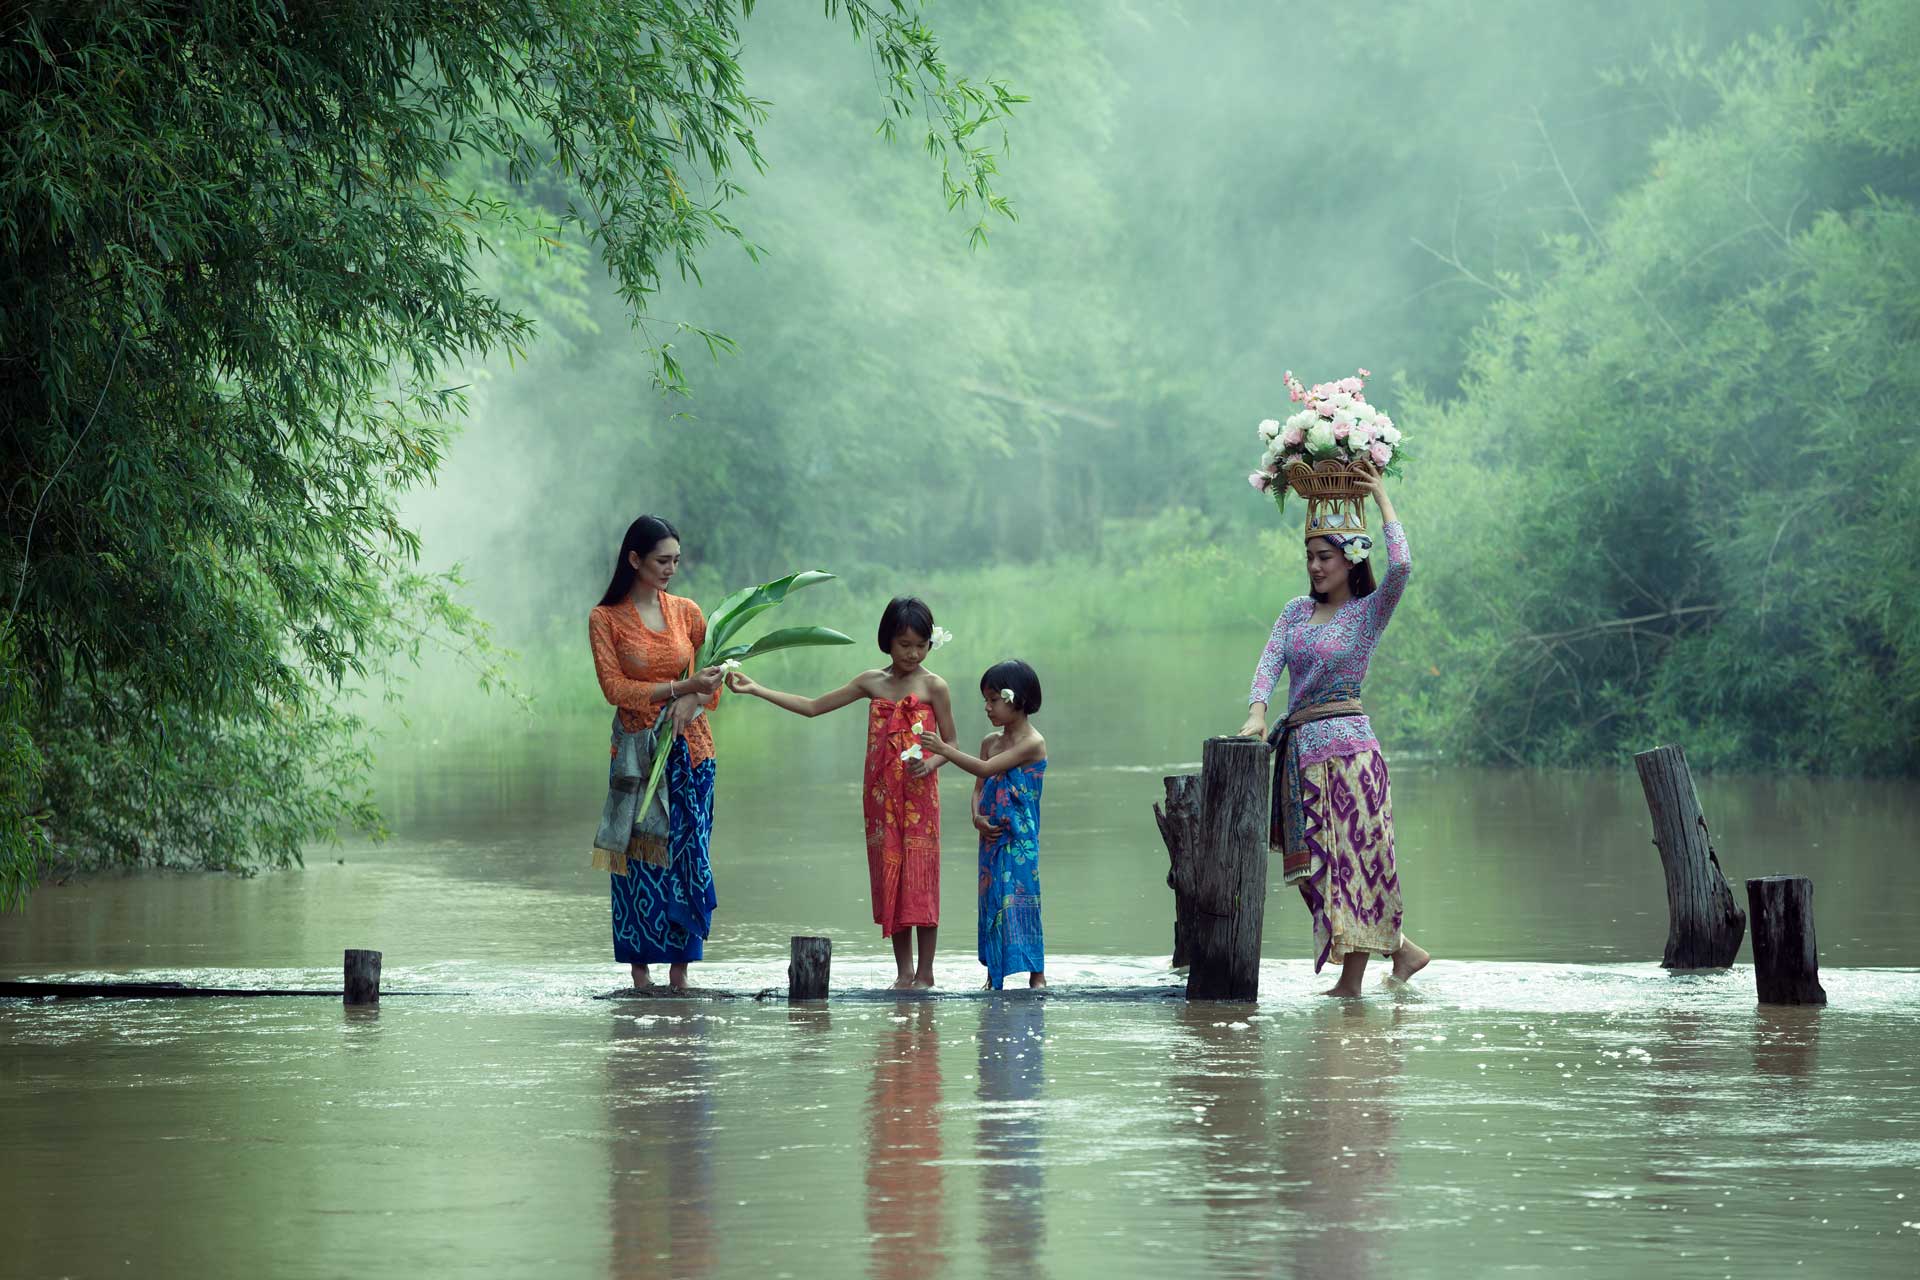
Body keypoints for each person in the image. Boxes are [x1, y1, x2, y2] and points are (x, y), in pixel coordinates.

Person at [1238, 473, 1431, 996]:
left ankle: (1350, 986)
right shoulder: (1295, 613)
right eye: (1310, 557)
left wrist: (1381, 495)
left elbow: (1405, 566)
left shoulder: (1368, 613)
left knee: (1356, 870)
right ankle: (1403, 951)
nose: (1316, 567)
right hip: (1300, 754)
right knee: (1311, 873)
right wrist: (1257, 712)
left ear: (1351, 558)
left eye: (1326, 556)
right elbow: (1268, 663)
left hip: (1351, 756)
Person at [726, 597, 956, 988]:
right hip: (881, 800)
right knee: (892, 877)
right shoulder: (871, 682)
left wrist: (931, 763)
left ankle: (926, 974)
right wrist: (757, 689)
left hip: (920, 798)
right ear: (886, 642)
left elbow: (950, 742)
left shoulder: (935, 686)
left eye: (921, 645)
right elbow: (814, 707)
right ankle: (903, 974)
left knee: (920, 879)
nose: (913, 653)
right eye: (904, 645)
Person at [588, 515, 726, 991]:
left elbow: (715, 681)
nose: (671, 569)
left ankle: (681, 973)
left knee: (687, 854)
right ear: (634, 560)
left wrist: (693, 698)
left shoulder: (688, 613)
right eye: (661, 560)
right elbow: (615, 688)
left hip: (692, 754)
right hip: (637, 760)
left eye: (676, 561)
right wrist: (681, 687)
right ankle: (641, 975)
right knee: (640, 862)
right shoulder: (605, 618)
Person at [919, 660, 1047, 991]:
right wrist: (976, 818)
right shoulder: (990, 741)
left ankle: (1037, 976)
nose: (987, 708)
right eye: (985, 700)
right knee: (992, 902)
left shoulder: (1032, 743)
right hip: (990, 839)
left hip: (1020, 842)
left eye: (994, 700)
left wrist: (944, 749)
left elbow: (988, 770)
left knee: (1021, 901)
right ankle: (994, 977)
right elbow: (979, 787)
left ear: (1016, 698)